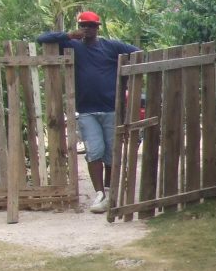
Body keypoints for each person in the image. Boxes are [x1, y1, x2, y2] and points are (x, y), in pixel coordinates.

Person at [36, 11, 139, 213]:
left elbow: (138, 52)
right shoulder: (74, 46)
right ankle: (99, 193)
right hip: (87, 111)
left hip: (111, 109)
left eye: (91, 26)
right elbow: (42, 39)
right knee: (94, 152)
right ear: (79, 27)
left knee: (111, 152)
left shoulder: (111, 46)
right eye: (84, 25)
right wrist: (68, 35)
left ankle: (109, 192)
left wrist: (124, 72)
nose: (87, 29)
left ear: (97, 27)